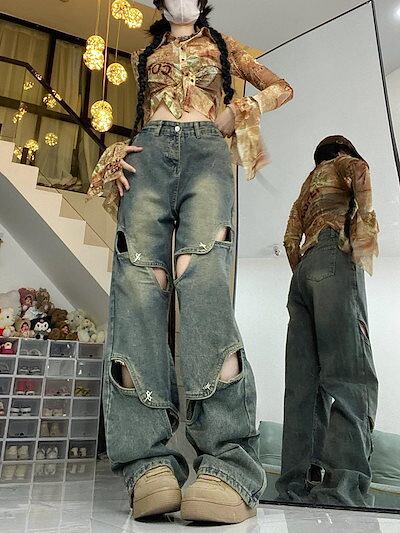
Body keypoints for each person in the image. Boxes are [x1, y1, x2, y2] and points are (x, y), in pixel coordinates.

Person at [88, 0, 293, 523]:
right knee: (139, 284)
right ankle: (147, 463)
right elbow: (142, 114)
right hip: (147, 155)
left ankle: (229, 462)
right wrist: (120, 150)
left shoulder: (225, 47)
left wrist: (233, 114)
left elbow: (280, 87)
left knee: (199, 277)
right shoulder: (144, 53)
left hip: (206, 153)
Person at [276, 135, 379, 507]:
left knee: (303, 387)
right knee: (351, 375)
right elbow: (362, 170)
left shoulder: (306, 188)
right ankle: (343, 487)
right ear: (342, 150)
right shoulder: (342, 164)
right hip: (334, 253)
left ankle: (295, 486)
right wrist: (362, 234)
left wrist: (305, 271)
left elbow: (290, 239)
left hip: (302, 273)